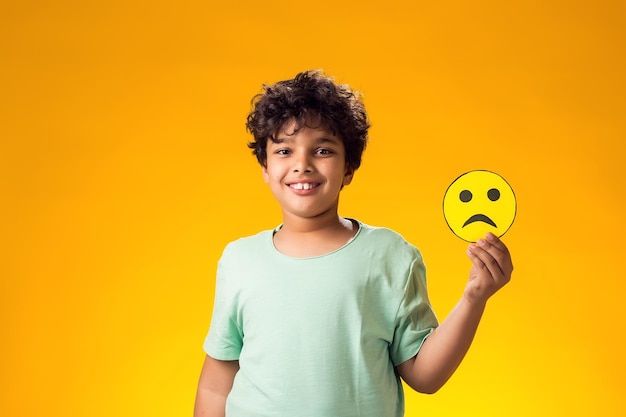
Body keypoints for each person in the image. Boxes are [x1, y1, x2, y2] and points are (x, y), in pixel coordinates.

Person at [194, 70, 513, 417]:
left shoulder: (391, 255)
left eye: (322, 150)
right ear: (266, 169)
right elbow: (215, 383)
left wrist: (474, 297)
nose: (302, 165)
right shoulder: (239, 260)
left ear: (349, 168)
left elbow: (424, 376)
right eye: (284, 150)